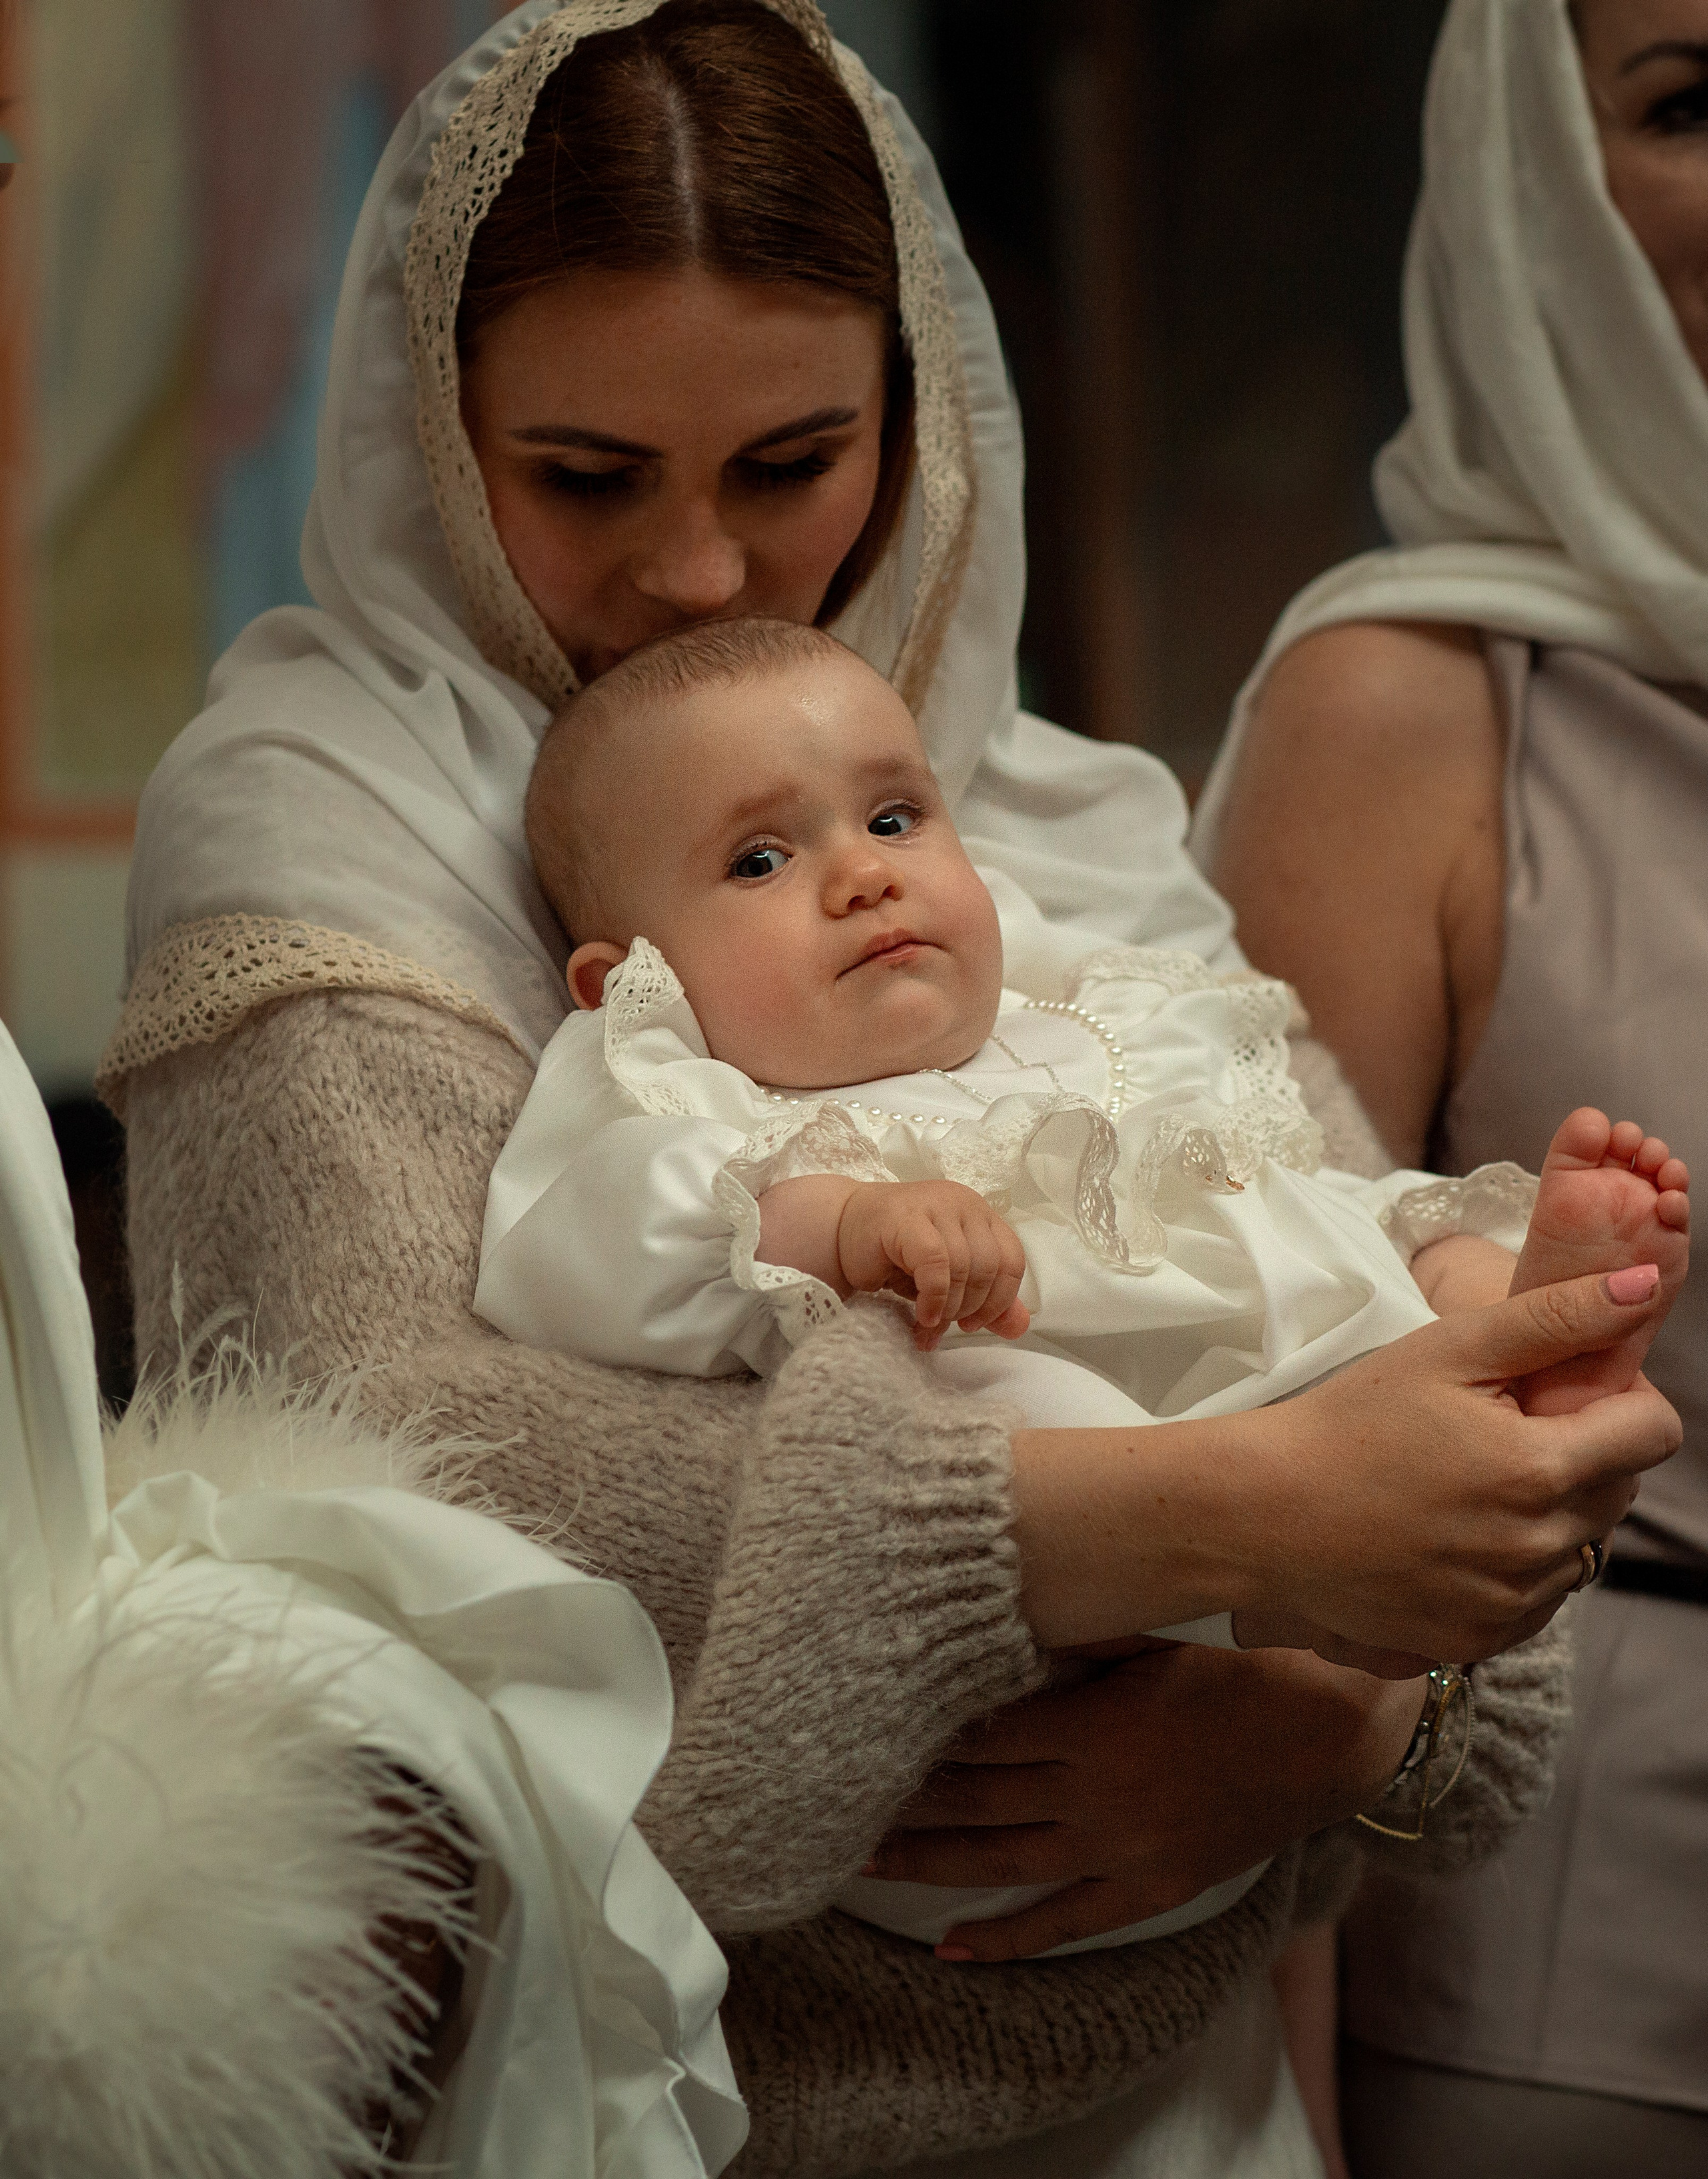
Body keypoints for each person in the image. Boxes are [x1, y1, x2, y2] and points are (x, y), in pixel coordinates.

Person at [99, 4, 1679, 2172]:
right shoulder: (319, 828)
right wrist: (1164, 1522)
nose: (700, 576)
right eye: (584, 476)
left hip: (1185, 2092)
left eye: (790, 462)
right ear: (431, 433)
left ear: (915, 410)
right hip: (684, 2101)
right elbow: (393, 1463)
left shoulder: (1051, 826)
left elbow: (1336, 1301)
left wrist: (1339, 1709)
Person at [476, 609, 1687, 1959]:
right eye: (760, 858)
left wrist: (1424, 1248)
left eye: (891, 819)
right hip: (1018, 1735)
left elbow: (1262, 1187)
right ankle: (1313, 1561)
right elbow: (576, 1254)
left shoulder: (1080, 1028)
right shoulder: (674, 1086)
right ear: (623, 982)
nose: (859, 878)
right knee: (984, 1390)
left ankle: (1513, 1315)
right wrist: (837, 1223)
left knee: (1317, 1227)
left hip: (1258, 1676)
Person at [1196, 0, 1708, 2172]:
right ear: (1529, 173)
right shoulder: (1406, 706)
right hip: (1572, 1976)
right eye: (1691, 102)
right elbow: (1251, 1409)